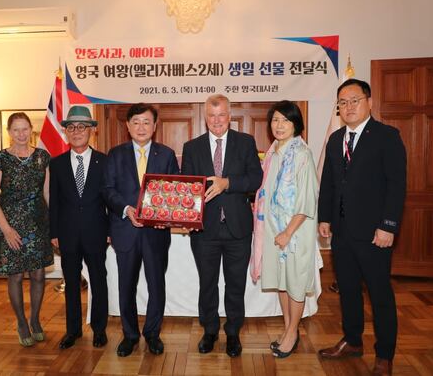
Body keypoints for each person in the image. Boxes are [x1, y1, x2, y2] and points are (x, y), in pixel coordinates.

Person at [317, 78, 406, 376]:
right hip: (342, 233)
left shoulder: (386, 137)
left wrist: (388, 226)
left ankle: (385, 355)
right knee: (348, 291)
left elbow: (396, 185)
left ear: (369, 102)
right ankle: (353, 341)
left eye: (354, 100)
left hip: (374, 234)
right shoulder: (335, 139)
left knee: (380, 295)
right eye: (342, 103)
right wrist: (325, 218)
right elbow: (329, 184)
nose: (348, 107)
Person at [181, 94, 263, 357]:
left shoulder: (245, 142)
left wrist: (227, 183)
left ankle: (233, 332)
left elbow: (256, 178)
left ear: (229, 116)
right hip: (204, 230)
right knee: (207, 284)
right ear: (205, 118)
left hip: (238, 228)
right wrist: (187, 217)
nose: (217, 121)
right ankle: (210, 330)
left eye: (221, 115)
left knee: (235, 284)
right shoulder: (192, 147)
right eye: (211, 115)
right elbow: (187, 188)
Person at [104, 103, 180, 357]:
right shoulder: (115, 154)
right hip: (125, 231)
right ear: (127, 126)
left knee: (156, 285)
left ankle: (153, 334)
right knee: (126, 285)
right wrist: (126, 209)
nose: (141, 127)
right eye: (136, 122)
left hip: (155, 234)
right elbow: (107, 190)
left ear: (154, 126)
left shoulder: (166, 155)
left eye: (146, 122)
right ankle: (130, 335)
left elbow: (174, 191)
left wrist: (164, 215)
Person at [250, 101, 321, 359]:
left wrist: (288, 232)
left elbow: (307, 201)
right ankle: (288, 328)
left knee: (295, 283)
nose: (279, 125)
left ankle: (292, 333)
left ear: (296, 125)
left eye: (286, 120)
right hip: (273, 231)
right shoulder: (273, 153)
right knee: (282, 282)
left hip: (295, 233)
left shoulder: (302, 154)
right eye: (275, 120)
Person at [0, 112, 53, 347]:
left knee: (38, 274)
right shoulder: (0, 159)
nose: (21, 134)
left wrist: (55, 224)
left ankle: (35, 319)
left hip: (38, 224)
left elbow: (47, 193)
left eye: (25, 129)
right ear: (9, 132)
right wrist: (6, 229)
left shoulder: (42, 157)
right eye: (16, 129)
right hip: (10, 225)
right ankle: (22, 322)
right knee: (15, 275)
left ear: (31, 129)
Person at [49, 105, 110, 350]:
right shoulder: (57, 164)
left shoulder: (105, 161)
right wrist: (54, 232)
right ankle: (72, 331)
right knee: (72, 284)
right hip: (68, 234)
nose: (76, 131)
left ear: (91, 131)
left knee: (98, 281)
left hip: (97, 232)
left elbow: (110, 200)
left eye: (82, 126)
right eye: (71, 127)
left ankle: (99, 329)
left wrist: (110, 231)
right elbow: (54, 201)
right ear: (66, 132)